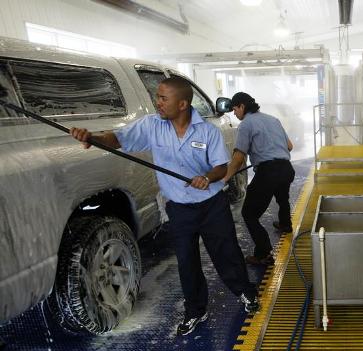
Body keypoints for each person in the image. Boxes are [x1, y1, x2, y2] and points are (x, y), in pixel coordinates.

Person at [69, 76, 259, 336]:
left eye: (162, 98)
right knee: (186, 262)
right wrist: (92, 138)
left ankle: (245, 292)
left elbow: (221, 167)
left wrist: (206, 178)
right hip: (179, 208)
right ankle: (196, 310)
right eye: (157, 96)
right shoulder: (151, 125)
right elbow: (118, 139)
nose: (157, 102)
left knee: (226, 253)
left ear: (182, 104)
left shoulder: (207, 131)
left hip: (212, 205)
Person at [224, 92, 295, 267]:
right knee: (282, 196)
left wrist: (225, 178)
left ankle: (263, 254)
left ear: (241, 106)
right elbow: (289, 146)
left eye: (234, 109)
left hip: (268, 172)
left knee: (249, 214)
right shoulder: (273, 119)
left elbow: (239, 157)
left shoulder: (245, 125)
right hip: (286, 169)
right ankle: (286, 224)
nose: (234, 114)